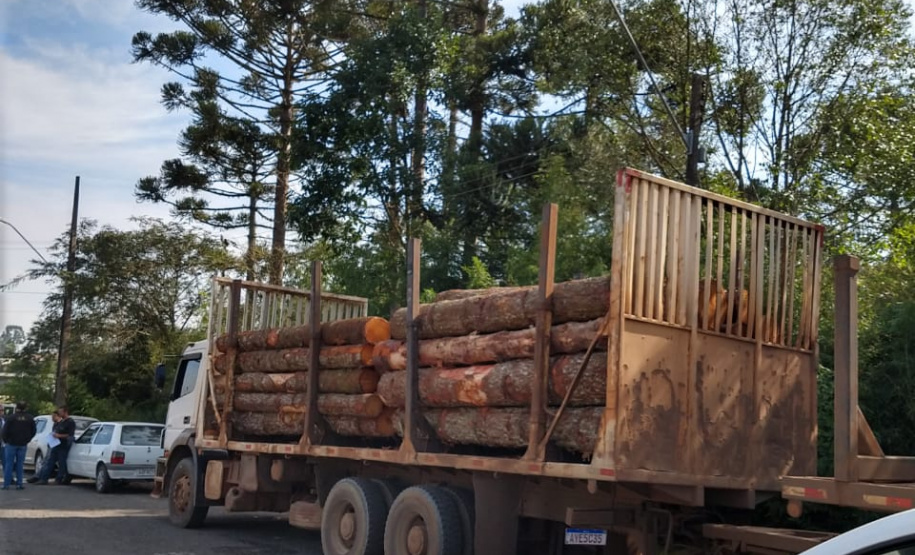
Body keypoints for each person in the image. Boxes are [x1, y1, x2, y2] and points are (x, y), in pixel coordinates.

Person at [32, 406, 75, 485]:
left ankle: (60, 478)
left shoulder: (70, 422)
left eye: (61, 412)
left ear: (65, 412)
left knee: (62, 463)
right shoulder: (61, 422)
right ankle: (44, 478)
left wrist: (59, 435)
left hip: (63, 445)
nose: (59, 413)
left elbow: (70, 435)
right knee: (49, 462)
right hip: (55, 444)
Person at [1, 401, 36, 490]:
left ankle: (6, 484)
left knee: (9, 464)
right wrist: (27, 439)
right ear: (25, 408)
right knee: (20, 464)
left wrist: (6, 440)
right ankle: (19, 484)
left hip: (11, 443)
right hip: (23, 444)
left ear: (17, 407)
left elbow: (4, 431)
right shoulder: (30, 418)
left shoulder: (11, 418)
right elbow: (33, 431)